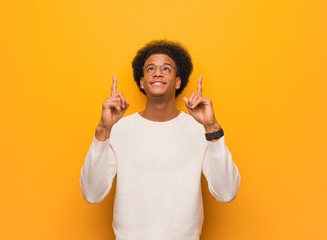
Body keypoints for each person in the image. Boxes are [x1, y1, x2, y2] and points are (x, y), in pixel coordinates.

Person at [80, 40, 241, 240]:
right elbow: (91, 194)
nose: (158, 72)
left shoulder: (200, 130)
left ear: (178, 81)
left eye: (166, 68)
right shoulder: (118, 129)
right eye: (151, 68)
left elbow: (227, 193)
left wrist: (212, 128)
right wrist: (103, 130)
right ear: (141, 81)